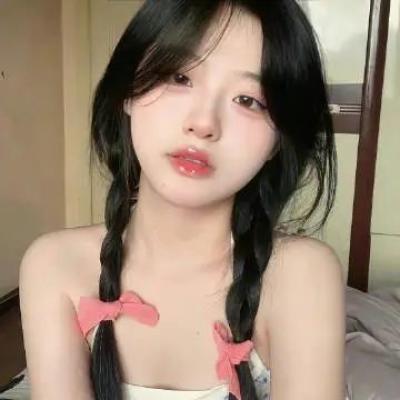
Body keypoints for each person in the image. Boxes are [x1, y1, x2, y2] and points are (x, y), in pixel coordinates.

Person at [19, 1, 347, 399]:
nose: (204, 123)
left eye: (249, 100)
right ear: (128, 90)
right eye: (179, 76)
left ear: (278, 141)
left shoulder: (300, 275)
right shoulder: (54, 265)